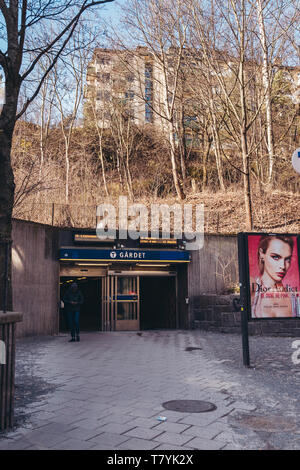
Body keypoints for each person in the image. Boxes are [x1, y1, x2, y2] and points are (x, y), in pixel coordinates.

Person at [251, 235, 300, 318]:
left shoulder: (294, 297)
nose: (283, 266)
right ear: (262, 254)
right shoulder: (252, 287)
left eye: (287, 259)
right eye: (276, 257)